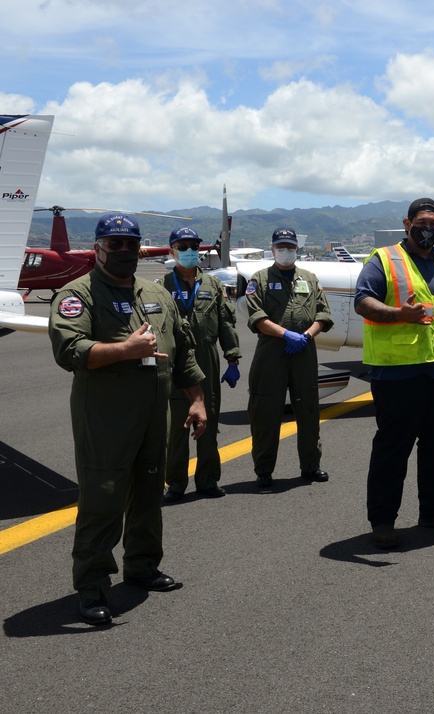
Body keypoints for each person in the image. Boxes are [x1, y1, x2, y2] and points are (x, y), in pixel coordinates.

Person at [49, 213, 207, 626]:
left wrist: (197, 400)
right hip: (105, 418)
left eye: (129, 244)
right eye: (113, 244)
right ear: (98, 249)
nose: (122, 251)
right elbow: (70, 351)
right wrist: (125, 350)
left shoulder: (157, 293)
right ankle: (92, 587)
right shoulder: (77, 293)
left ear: (140, 248)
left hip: (153, 415)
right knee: (103, 499)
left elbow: (184, 350)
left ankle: (142, 566)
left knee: (149, 491)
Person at [354, 197, 434, 549]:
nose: (428, 228)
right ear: (407, 224)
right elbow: (362, 301)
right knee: (392, 449)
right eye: (422, 222)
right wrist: (400, 314)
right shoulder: (383, 259)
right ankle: (382, 521)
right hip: (398, 372)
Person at [245, 228, 333, 487]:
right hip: (271, 352)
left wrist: (306, 336)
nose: (286, 251)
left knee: (308, 408)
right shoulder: (259, 279)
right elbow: (257, 317)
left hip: (304, 350)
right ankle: (263, 470)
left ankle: (311, 465)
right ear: (272, 249)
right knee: (265, 411)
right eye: (281, 247)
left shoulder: (309, 277)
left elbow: (324, 314)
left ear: (297, 249)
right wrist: (286, 335)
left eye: (291, 247)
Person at [160, 227, 241, 502]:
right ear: (172, 250)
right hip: (175, 362)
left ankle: (208, 480)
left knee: (209, 422)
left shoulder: (213, 286)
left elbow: (226, 323)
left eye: (194, 246)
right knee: (177, 428)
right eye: (183, 246)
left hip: (206, 359)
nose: (189, 251)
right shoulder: (161, 287)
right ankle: (176, 483)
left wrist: (232, 358)